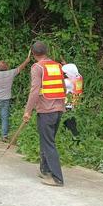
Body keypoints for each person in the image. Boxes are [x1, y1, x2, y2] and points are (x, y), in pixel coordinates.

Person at [23, 41, 66, 187]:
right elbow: (62, 86)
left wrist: (28, 111)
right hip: (58, 109)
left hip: (46, 111)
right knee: (47, 141)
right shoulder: (57, 65)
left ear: (32, 53)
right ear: (46, 51)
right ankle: (45, 170)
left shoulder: (37, 67)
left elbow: (34, 91)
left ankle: (57, 178)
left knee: (48, 144)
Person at [62, 62, 83, 138]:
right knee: (69, 120)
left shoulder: (67, 82)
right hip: (76, 102)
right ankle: (68, 136)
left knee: (70, 122)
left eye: (65, 73)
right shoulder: (79, 77)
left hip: (68, 104)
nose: (64, 74)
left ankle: (76, 138)